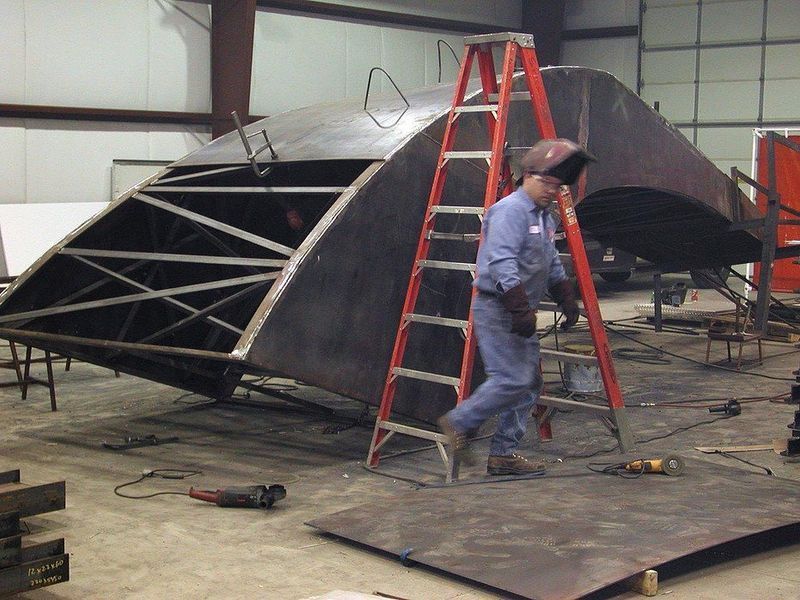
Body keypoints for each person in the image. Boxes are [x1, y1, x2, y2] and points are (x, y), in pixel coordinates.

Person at [438, 138, 594, 475]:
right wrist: (519, 308)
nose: (554, 191)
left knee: (530, 383)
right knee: (511, 379)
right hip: (497, 309)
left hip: (516, 309)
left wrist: (565, 295)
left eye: (558, 186)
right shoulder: (509, 212)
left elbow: (549, 259)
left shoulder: (544, 218)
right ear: (530, 176)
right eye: (549, 184)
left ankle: (503, 455)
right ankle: (459, 421)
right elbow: (502, 262)